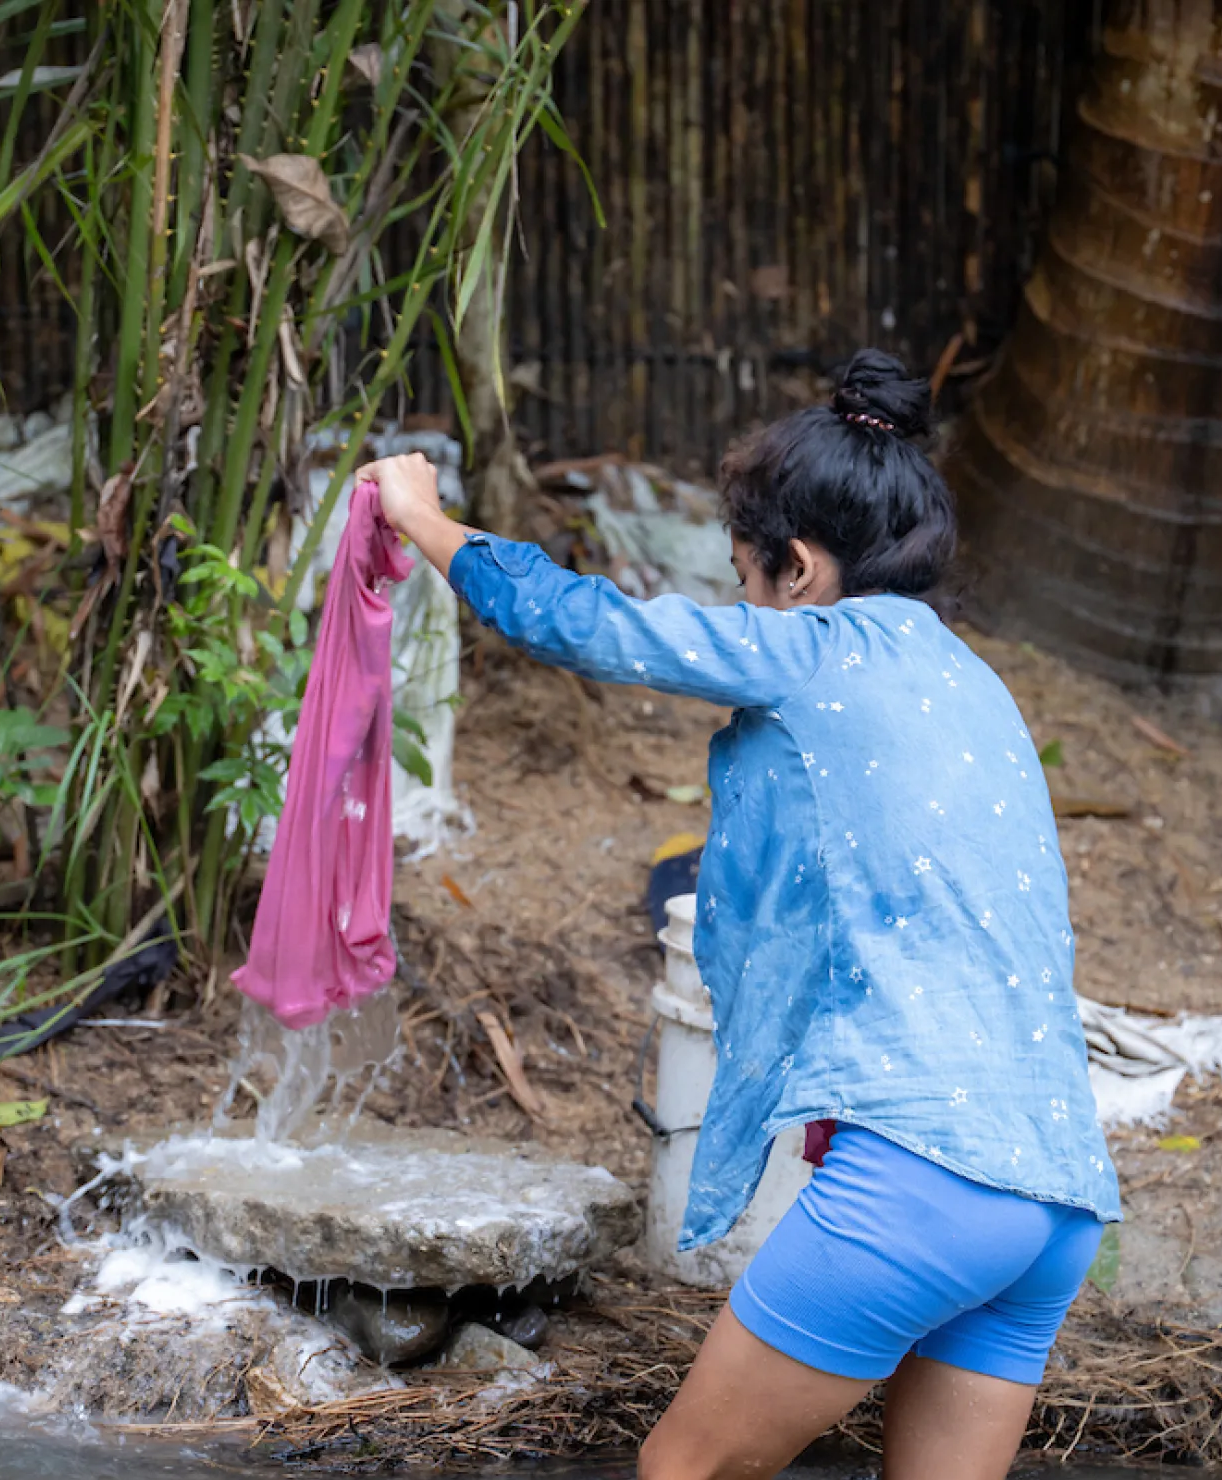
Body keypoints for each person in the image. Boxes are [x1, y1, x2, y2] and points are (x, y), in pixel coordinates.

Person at [360, 348, 1120, 1480]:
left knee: (685, 1472)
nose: (746, 609)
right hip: (1056, 1195)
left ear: (800, 569)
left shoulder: (819, 650)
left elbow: (586, 623)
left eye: (744, 581)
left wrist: (421, 516)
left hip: (922, 1174)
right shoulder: (977, 687)